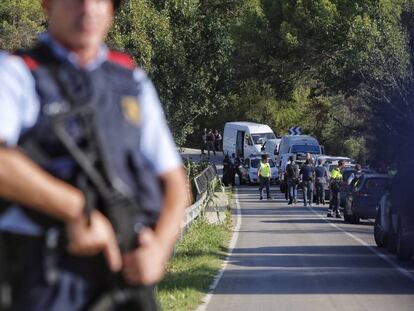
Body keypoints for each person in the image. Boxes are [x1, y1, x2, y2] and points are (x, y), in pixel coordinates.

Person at [0, 0, 188, 310]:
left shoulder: (132, 80)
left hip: (126, 274)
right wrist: (77, 212)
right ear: (47, 5)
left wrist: (160, 249)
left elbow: (175, 182)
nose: (88, 9)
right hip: (44, 276)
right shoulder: (16, 73)